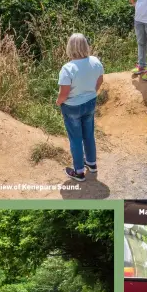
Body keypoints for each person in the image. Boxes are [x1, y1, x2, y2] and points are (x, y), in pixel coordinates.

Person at [57, 33, 104, 182]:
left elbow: (64, 93)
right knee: (88, 134)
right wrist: (91, 92)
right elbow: (100, 80)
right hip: (90, 102)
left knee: (75, 139)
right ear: (85, 46)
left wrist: (58, 102)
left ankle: (78, 172)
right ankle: (92, 163)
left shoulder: (68, 68)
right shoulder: (95, 61)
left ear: (70, 47)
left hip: (72, 107)